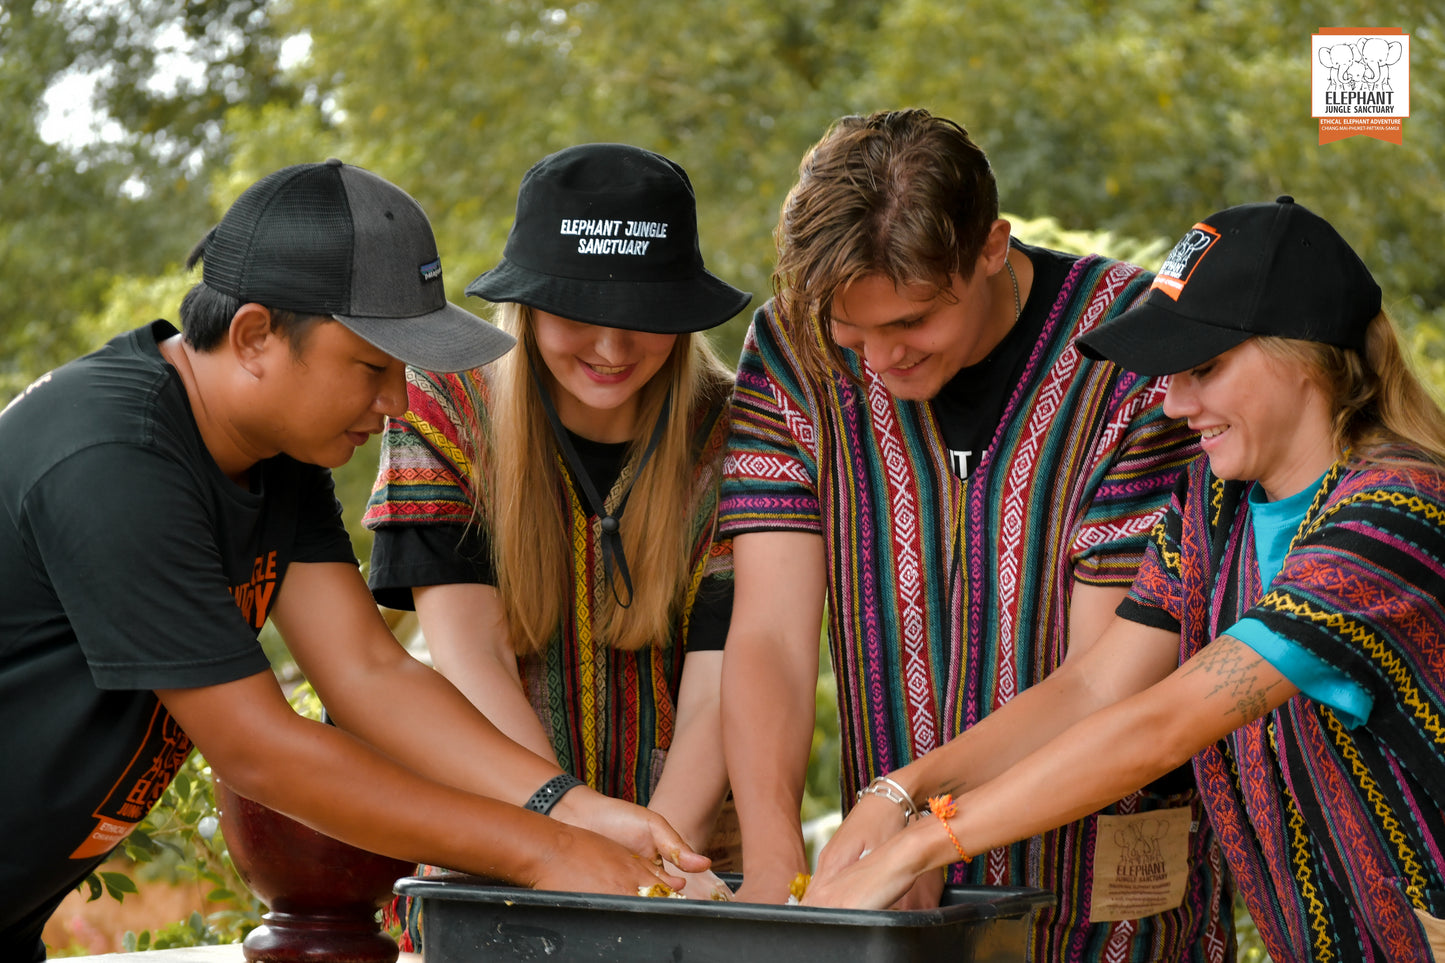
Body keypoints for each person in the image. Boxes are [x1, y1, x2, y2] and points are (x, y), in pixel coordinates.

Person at [0, 159, 707, 961]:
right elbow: (259, 749)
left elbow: (370, 672)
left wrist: (568, 808)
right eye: (373, 366)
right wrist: (542, 851)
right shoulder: (114, 457)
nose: (399, 402)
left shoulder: (275, 458)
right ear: (256, 334)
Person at [801, 196, 1445, 962]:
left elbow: (1161, 726)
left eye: (1202, 368)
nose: (1174, 404)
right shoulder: (1214, 506)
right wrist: (899, 791)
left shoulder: (1394, 518)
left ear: (1303, 353)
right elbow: (1096, 687)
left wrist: (920, 849)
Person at [718, 109, 1229, 959]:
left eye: (912, 322)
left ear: (991, 246)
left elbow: (1102, 683)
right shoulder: (794, 349)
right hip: (888, 897)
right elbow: (769, 631)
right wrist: (779, 863)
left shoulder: (1134, 355)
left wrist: (920, 814)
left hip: (1104, 897)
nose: (877, 359)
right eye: (854, 329)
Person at [363, 143, 749, 937]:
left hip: (696, 849)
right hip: (494, 843)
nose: (610, 350)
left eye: (641, 318)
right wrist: (562, 839)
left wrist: (657, 865)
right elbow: (471, 656)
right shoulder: (443, 406)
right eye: (577, 317)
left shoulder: (737, 429)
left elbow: (724, 682)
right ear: (527, 306)